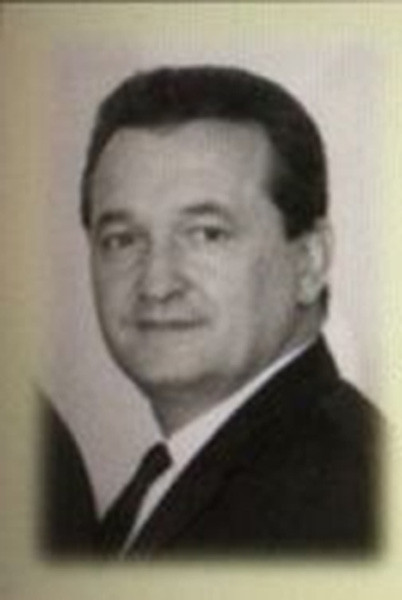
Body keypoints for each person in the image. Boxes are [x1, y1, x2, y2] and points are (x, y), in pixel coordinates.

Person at [44, 65, 381, 558]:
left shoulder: (348, 506)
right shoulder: (184, 477)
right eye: (122, 240)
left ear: (309, 262)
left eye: (206, 234)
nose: (157, 284)